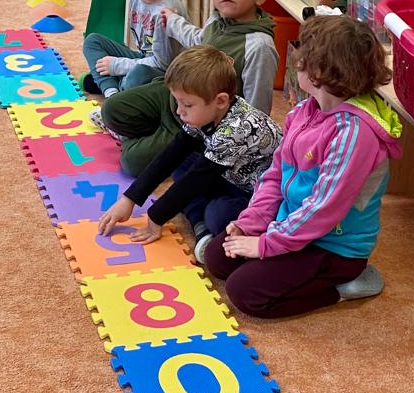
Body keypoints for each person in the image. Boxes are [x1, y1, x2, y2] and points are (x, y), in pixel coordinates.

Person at [205, 14, 402, 318]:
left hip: (333, 247)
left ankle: (345, 287)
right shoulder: (304, 111)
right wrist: (252, 221)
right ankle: (277, 249)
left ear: (319, 71)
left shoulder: (353, 133)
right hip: (294, 226)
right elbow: (275, 174)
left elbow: (323, 207)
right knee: (218, 259)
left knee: (244, 292)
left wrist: (266, 244)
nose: (296, 58)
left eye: (302, 54)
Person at [98, 0, 279, 175]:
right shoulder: (217, 20)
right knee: (111, 110)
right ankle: (158, 134)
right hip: (173, 97)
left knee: (131, 162)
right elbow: (197, 40)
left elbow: (257, 112)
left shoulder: (259, 46)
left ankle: (174, 144)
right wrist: (174, 22)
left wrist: (227, 147)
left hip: (196, 122)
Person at [96, 46, 282, 262]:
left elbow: (196, 180)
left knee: (217, 215)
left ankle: (201, 224)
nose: (178, 111)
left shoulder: (236, 129)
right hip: (228, 172)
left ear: (221, 101)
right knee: (183, 165)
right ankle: (200, 223)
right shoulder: (209, 112)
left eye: (187, 104)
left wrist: (156, 218)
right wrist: (130, 199)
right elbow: (172, 154)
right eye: (177, 102)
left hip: (257, 193)